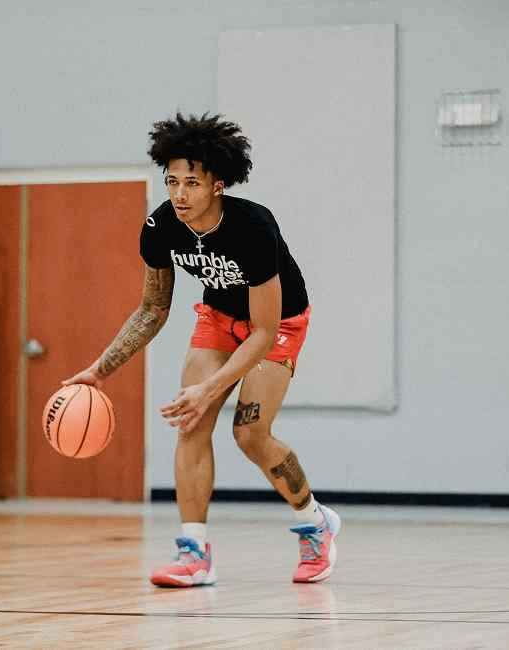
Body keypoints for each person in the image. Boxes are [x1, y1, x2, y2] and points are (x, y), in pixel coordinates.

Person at [63, 112, 341, 587]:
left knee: (250, 434)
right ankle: (194, 553)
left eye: (191, 183)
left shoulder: (253, 226)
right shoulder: (161, 226)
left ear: (218, 185)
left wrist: (209, 388)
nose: (180, 194)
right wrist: (99, 370)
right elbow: (152, 309)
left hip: (276, 325)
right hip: (218, 318)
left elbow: (263, 331)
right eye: (172, 181)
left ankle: (316, 524)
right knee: (190, 422)